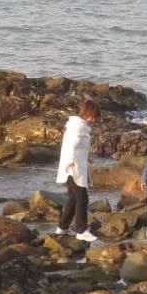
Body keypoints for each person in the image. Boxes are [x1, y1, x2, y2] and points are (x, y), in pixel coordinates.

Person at [55, 99, 101, 243]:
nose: (94, 120)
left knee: (73, 198)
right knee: (82, 197)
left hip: (75, 164)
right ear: (88, 114)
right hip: (73, 167)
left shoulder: (78, 125)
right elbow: (72, 145)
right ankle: (81, 231)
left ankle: (62, 227)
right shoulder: (79, 127)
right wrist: (71, 162)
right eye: (94, 117)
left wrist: (86, 159)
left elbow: (78, 147)